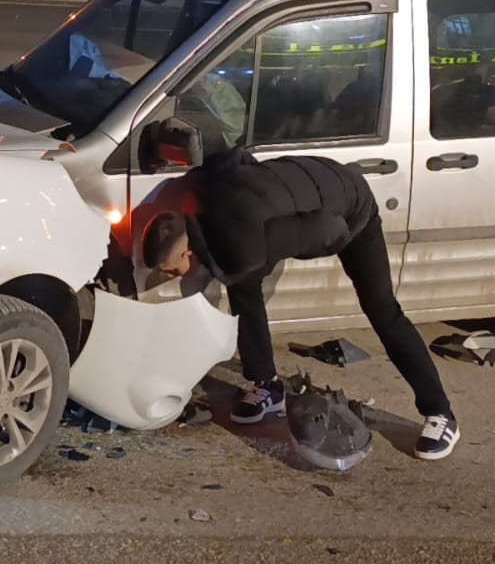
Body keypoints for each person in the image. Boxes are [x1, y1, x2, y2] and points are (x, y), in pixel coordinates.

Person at [141, 147, 460, 460]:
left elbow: (331, 231)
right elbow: (236, 157)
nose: (170, 276)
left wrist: (275, 246)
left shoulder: (248, 242)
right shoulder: (202, 191)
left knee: (382, 309)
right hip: (308, 181)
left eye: (170, 270)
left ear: (186, 253)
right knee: (243, 283)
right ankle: (267, 385)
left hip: (350, 208)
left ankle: (441, 414)